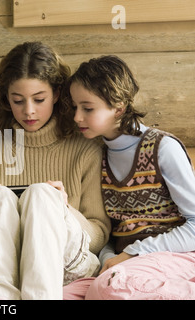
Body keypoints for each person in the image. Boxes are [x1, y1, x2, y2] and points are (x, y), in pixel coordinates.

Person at [0, 42, 111, 300]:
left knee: (42, 194)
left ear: (56, 93)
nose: (28, 111)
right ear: (7, 99)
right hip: (1, 263)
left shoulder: (85, 149)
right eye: (18, 101)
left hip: (66, 264)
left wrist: (64, 209)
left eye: (39, 99)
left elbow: (99, 235)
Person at [63, 55, 195, 299]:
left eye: (87, 108)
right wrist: (110, 259)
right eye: (75, 107)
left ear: (119, 107)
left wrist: (133, 254)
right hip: (126, 264)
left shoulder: (162, 148)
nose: (77, 117)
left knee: (109, 287)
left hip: (175, 257)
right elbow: (114, 231)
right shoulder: (97, 155)